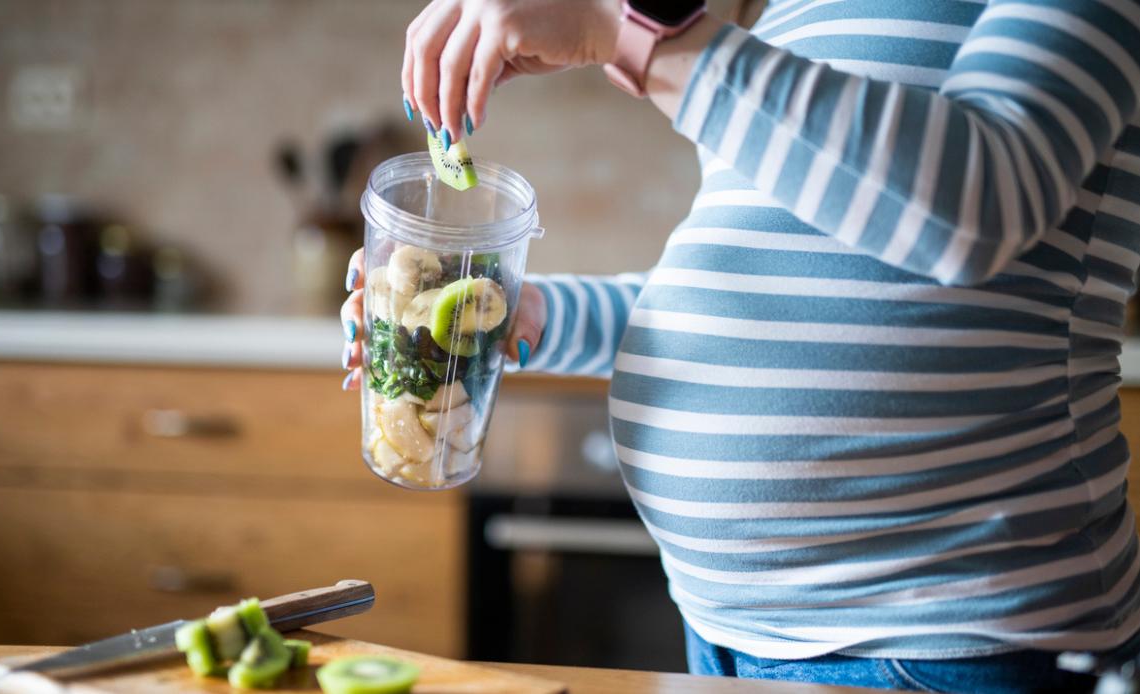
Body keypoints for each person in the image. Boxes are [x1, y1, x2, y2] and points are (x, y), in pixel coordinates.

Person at [340, 0, 1140, 690]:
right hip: (722, 634)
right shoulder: (792, 13)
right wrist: (521, 312)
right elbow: (760, 292)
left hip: (945, 643)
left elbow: (980, 204)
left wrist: (621, 30)